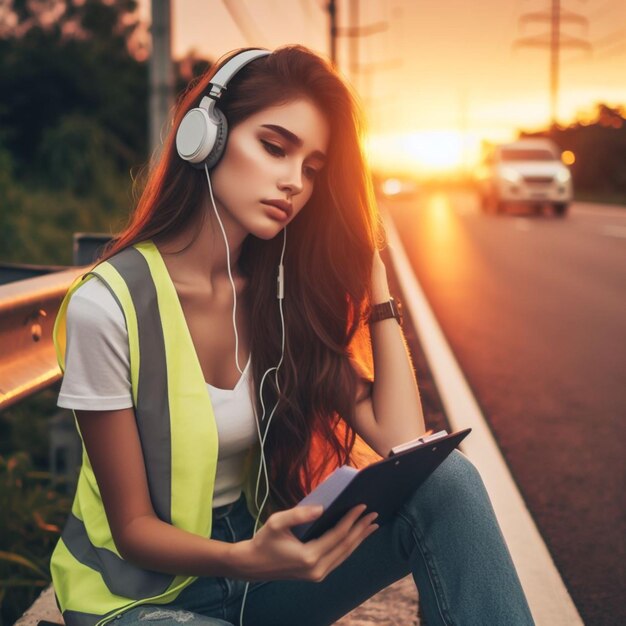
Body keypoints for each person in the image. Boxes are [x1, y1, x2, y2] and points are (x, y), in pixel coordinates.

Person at [51, 45, 534, 626]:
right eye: (274, 147)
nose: (292, 183)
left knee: (448, 480)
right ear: (205, 136)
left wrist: (375, 277)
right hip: (139, 598)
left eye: (312, 169)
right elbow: (132, 531)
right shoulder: (107, 305)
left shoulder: (280, 298)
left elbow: (402, 444)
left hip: (259, 574)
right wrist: (247, 560)